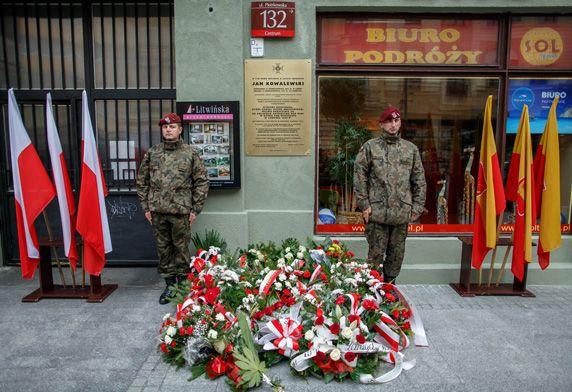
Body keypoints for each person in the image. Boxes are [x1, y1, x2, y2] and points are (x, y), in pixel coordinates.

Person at [136, 113, 209, 304]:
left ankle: (183, 287)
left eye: (172, 127)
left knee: (181, 248)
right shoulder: (153, 153)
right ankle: (170, 286)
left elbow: (201, 182)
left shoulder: (190, 154)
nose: (168, 130)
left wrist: (195, 209)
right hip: (158, 211)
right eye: (165, 127)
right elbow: (142, 181)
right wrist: (146, 207)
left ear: (180, 130)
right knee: (163, 249)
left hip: (181, 212)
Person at [353, 106, 426, 283]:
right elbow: (359, 175)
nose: (393, 125)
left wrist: (416, 207)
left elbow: (419, 180)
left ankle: (390, 291)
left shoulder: (411, 149)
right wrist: (365, 205)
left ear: (400, 122)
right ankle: (373, 294)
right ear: (381, 124)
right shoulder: (370, 147)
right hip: (377, 213)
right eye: (388, 121)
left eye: (396, 121)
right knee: (375, 258)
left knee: (396, 257)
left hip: (401, 214)